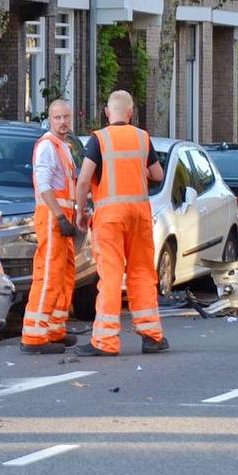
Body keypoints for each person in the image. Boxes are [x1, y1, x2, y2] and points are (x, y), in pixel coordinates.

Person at [73, 90, 168, 357]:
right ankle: (152, 336)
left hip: (110, 217)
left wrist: (81, 210)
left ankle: (105, 341)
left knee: (111, 275)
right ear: (131, 112)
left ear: (107, 112)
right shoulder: (142, 138)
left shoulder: (98, 140)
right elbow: (157, 174)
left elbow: (83, 180)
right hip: (139, 215)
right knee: (142, 273)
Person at [20, 99, 79, 355]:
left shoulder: (63, 147)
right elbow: (43, 185)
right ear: (49, 120)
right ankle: (34, 337)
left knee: (64, 274)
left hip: (61, 216)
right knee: (49, 275)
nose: (63, 122)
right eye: (58, 118)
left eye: (66, 117)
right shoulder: (47, 146)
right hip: (52, 216)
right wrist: (60, 216)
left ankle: (54, 329)